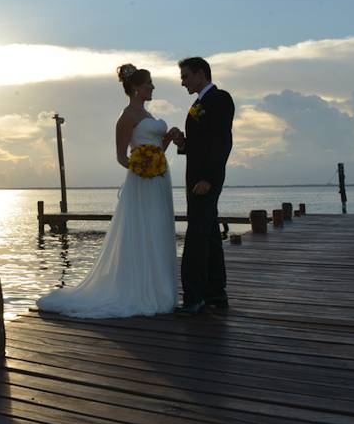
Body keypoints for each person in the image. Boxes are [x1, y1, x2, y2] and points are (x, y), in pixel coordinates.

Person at [37, 64, 178, 318]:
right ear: (136, 87)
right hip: (142, 182)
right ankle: (140, 290)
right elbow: (121, 157)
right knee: (144, 230)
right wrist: (141, 169)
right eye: (149, 83)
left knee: (159, 228)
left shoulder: (147, 116)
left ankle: (161, 289)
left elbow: (158, 149)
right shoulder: (126, 118)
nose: (152, 87)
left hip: (159, 179)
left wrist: (167, 140)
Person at [168, 57, 235, 315]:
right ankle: (216, 293)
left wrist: (208, 178)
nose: (182, 82)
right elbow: (201, 143)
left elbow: (221, 141)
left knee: (196, 236)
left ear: (200, 73)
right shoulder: (197, 104)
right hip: (196, 178)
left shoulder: (220, 99)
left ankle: (194, 298)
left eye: (185, 76)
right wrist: (182, 143)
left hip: (206, 179)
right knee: (209, 236)